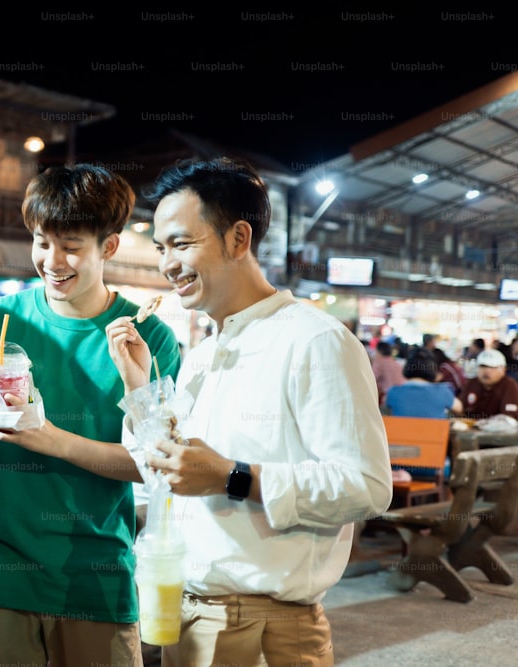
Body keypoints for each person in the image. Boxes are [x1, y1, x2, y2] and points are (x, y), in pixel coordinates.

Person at [105, 157, 392, 667]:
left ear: (238, 239)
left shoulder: (316, 340)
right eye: (160, 248)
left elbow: (366, 486)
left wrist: (234, 478)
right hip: (186, 611)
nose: (168, 264)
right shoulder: (202, 353)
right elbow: (164, 472)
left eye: (182, 243)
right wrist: (139, 386)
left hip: (265, 625)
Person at [0, 163, 182, 666]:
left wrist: (49, 437)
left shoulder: (148, 338)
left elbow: (153, 464)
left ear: (108, 247)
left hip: (97, 568)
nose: (52, 259)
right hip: (0, 562)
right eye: (42, 242)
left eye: (71, 244)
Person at [385, 348, 462, 419]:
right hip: (434, 433)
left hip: (400, 434)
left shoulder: (393, 392)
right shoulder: (443, 392)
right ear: (432, 369)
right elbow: (459, 409)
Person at [455, 348, 518, 420]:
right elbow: (459, 409)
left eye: (492, 367)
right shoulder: (471, 384)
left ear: (503, 370)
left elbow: (509, 418)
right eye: (483, 366)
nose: (487, 371)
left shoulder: (510, 386)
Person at [370, 340, 405, 405]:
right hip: (402, 396)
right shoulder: (396, 363)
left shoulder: (379, 362)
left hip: (387, 399)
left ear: (379, 351)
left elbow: (370, 380)